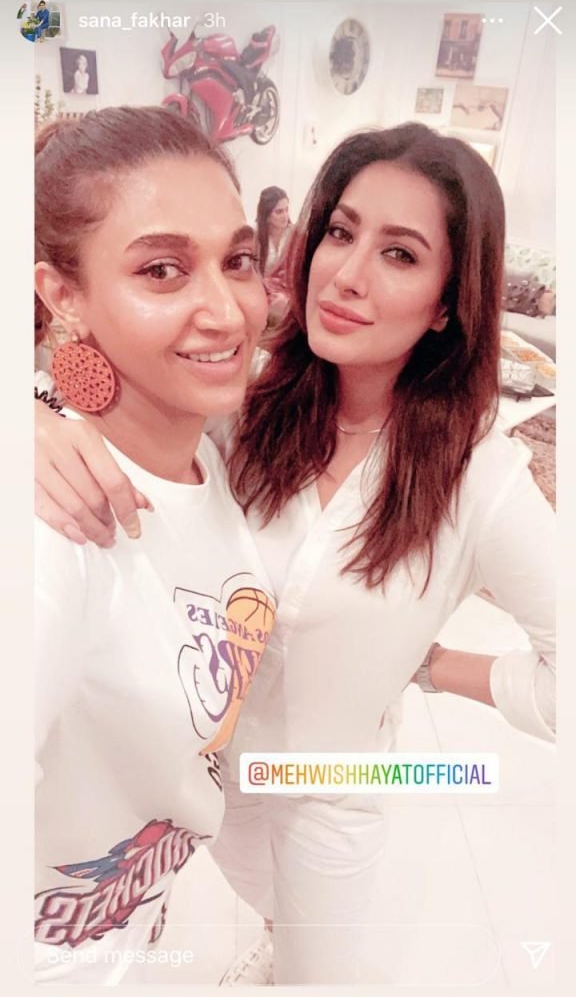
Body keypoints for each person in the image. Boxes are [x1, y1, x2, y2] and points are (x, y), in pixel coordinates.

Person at [34, 122, 555, 984]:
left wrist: (434, 667)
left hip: (325, 789)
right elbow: (110, 392)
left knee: (319, 972)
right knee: (266, 908)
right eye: (341, 232)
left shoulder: (477, 478)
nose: (347, 274)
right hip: (207, 776)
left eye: (400, 254)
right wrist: (32, 419)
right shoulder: (245, 404)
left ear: (447, 301)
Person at [32, 105, 275, 983]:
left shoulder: (212, 456)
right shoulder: (56, 524)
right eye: (162, 270)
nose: (225, 311)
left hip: (142, 936)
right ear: (63, 296)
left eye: (237, 261)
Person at [255, 185, 293, 326]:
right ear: (267, 216)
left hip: (286, 291)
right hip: (261, 291)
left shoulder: (294, 234)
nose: (285, 216)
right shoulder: (255, 235)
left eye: (287, 210)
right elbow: (252, 272)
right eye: (279, 212)